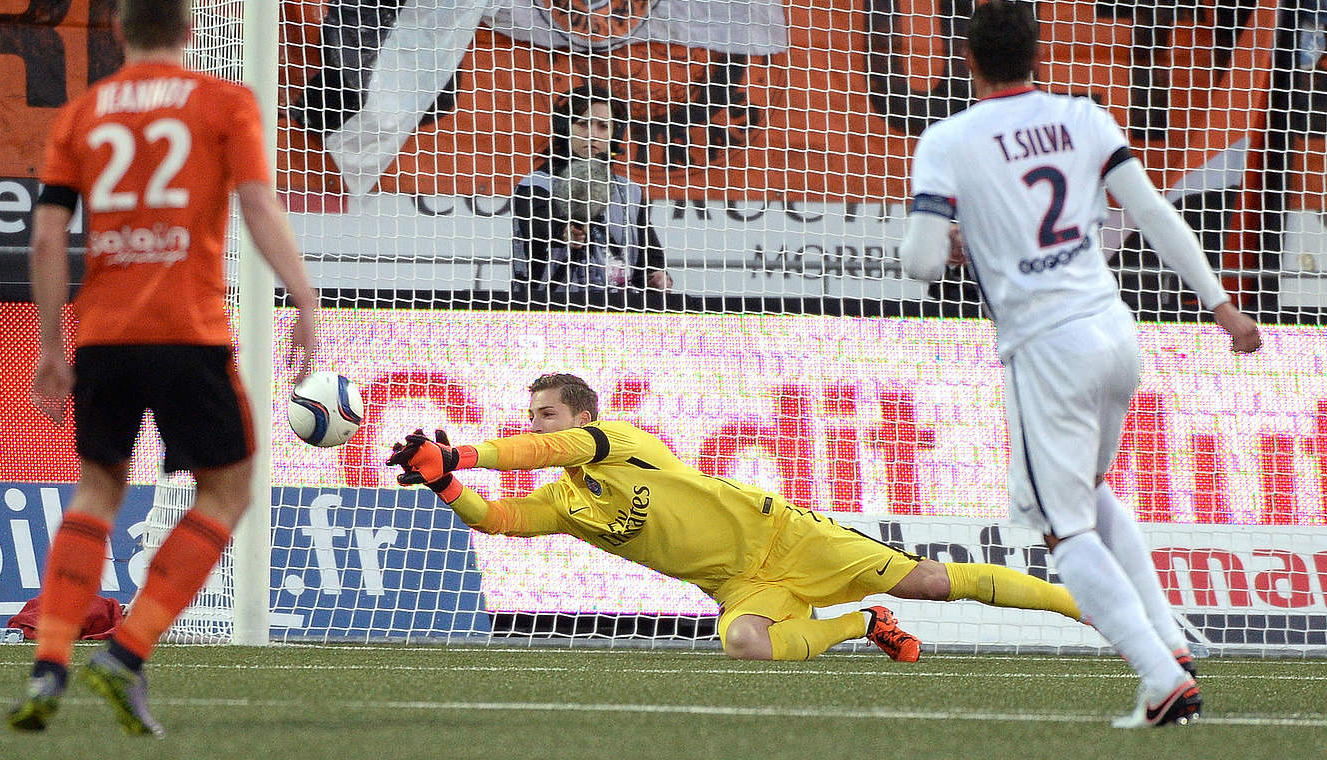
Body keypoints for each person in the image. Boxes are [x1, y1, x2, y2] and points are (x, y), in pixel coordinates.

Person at [899, 1, 1262, 728]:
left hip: (1046, 352)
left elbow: (920, 262)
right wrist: (1222, 307)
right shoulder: (1084, 118)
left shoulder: (947, 139)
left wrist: (954, 241)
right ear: (1040, 54)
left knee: (1064, 531)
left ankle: (1161, 679)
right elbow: (1155, 213)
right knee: (1092, 491)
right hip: (1115, 333)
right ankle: (1169, 640)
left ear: (966, 59)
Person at [7, 0, 318, 737]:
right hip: (190, 331)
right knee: (229, 489)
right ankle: (126, 649)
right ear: (188, 32)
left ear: (117, 32)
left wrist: (51, 347)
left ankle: (50, 660)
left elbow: (49, 239)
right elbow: (257, 205)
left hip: (105, 335)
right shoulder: (224, 101)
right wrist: (303, 297)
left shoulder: (82, 113)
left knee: (99, 487)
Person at [387, 373, 1084, 664]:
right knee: (745, 645)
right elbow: (498, 520)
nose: (537, 423)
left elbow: (544, 449)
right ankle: (862, 624)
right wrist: (445, 482)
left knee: (929, 582)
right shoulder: (565, 503)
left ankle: (1081, 604)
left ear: (582, 416)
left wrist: (463, 450)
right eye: (532, 412)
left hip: (787, 536)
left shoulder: (619, 442)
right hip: (739, 587)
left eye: (548, 412)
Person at [511, 85, 672, 310]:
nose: (592, 134)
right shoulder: (535, 184)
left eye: (603, 126)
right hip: (550, 312)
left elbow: (650, 258)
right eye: (583, 124)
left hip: (620, 314)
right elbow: (537, 224)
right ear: (564, 128)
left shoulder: (630, 191)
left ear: (614, 134)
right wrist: (564, 231)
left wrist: (658, 276)